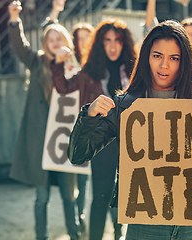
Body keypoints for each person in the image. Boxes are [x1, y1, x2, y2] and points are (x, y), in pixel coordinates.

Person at [66, 20, 192, 240]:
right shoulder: (125, 106)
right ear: (146, 57)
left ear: (184, 63)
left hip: (191, 227)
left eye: (174, 58)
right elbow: (78, 155)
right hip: (144, 226)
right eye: (157, 56)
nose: (164, 65)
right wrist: (88, 115)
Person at [51, 18, 137, 240]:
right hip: (103, 142)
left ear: (124, 43)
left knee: (130, 197)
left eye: (117, 40)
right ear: (100, 43)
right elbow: (63, 87)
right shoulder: (90, 72)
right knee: (101, 197)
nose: (112, 46)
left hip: (134, 140)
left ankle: (119, 234)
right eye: (107, 40)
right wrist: (58, 64)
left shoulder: (136, 70)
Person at [8, 1, 80, 240]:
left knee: (70, 196)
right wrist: (14, 20)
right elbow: (19, 47)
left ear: (65, 42)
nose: (55, 43)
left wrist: (68, 64)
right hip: (41, 142)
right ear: (45, 45)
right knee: (42, 197)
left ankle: (75, 234)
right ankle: (42, 236)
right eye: (51, 41)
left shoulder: (73, 67)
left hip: (63, 141)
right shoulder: (37, 62)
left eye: (59, 39)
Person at [71, 21, 95, 236]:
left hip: (91, 127)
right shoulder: (68, 63)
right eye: (80, 37)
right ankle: (77, 220)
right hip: (67, 127)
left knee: (86, 178)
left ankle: (84, 217)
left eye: (88, 36)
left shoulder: (96, 65)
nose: (84, 41)